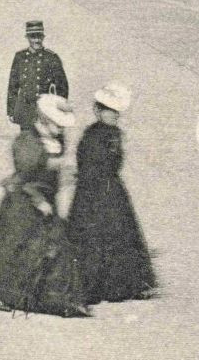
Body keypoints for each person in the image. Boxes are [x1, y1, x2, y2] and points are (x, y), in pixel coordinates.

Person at [0, 95, 89, 317]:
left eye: (62, 126)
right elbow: (23, 177)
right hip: (23, 203)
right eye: (56, 125)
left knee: (58, 245)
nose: (60, 130)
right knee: (18, 247)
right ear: (43, 119)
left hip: (46, 201)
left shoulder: (57, 140)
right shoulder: (26, 141)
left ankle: (59, 299)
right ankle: (8, 296)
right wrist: (39, 200)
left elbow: (53, 172)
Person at [67, 83, 157, 304]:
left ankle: (120, 286)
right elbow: (86, 166)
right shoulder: (91, 136)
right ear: (98, 111)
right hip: (93, 192)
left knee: (119, 236)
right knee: (94, 238)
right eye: (109, 110)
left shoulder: (115, 134)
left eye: (116, 111)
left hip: (111, 190)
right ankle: (94, 287)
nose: (115, 115)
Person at [6, 19, 68, 129]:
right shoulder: (20, 57)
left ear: (43, 37)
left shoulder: (51, 58)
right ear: (28, 38)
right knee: (26, 142)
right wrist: (11, 110)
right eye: (33, 37)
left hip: (43, 110)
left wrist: (58, 111)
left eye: (39, 36)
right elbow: (13, 85)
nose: (36, 40)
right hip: (25, 110)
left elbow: (62, 87)